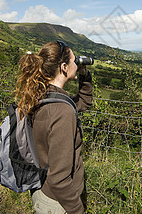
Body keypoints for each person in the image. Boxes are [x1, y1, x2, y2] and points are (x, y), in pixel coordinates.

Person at [15, 40, 93, 214]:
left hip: (41, 189)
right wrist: (77, 209)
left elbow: (83, 102)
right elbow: (59, 179)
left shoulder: (40, 96)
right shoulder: (62, 111)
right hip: (58, 203)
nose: (76, 63)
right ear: (64, 67)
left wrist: (84, 76)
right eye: (74, 61)